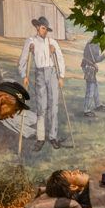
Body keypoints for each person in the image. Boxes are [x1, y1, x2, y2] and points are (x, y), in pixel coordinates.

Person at [18, 16, 66, 151]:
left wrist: (61, 76)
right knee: (41, 107)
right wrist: (24, 75)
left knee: (54, 106)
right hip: (39, 74)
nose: (45, 31)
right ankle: (40, 138)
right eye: (43, 28)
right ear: (37, 28)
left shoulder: (52, 42)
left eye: (46, 29)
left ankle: (53, 136)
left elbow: (60, 59)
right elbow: (23, 59)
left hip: (52, 73)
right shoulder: (31, 41)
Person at [81, 40, 105, 117]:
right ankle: (86, 110)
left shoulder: (93, 42)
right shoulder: (94, 44)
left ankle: (98, 104)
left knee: (95, 85)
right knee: (91, 88)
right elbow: (96, 59)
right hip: (88, 67)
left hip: (89, 65)